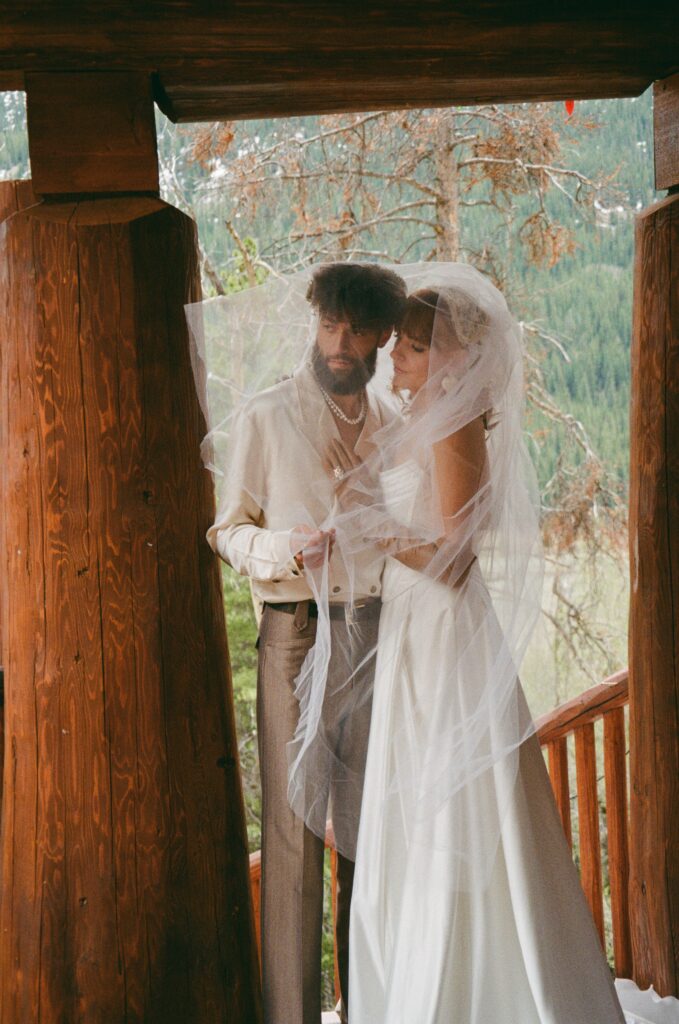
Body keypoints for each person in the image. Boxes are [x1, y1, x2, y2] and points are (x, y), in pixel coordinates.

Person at [319, 274, 627, 1023]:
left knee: (456, 800)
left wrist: (376, 531)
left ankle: (479, 985)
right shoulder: (416, 418)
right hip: (410, 630)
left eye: (413, 347)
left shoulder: (452, 426)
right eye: (396, 341)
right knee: (414, 799)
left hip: (443, 633)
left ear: (451, 362)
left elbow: (454, 558)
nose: (394, 353)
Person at [202, 262, 407, 1024]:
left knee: (367, 832)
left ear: (382, 335)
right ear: (314, 324)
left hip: (378, 637)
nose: (340, 342)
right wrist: (284, 548)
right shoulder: (267, 415)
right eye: (329, 325)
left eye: (355, 329)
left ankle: (367, 1010)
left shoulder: (392, 423)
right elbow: (225, 528)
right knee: (292, 838)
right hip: (294, 637)